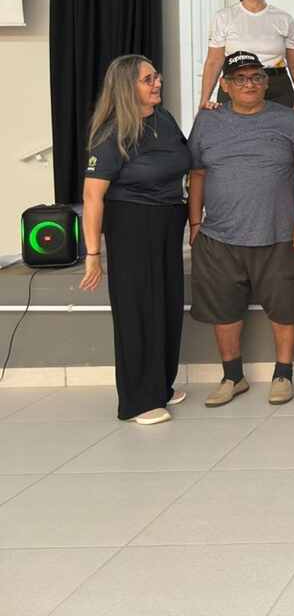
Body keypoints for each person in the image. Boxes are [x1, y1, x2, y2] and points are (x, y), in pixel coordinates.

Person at [188, 52, 294, 407]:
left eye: (256, 77)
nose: (249, 84)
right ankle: (233, 377)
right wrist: (194, 222)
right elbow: (197, 173)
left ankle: (283, 374)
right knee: (224, 310)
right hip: (220, 236)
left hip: (280, 234)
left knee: (286, 307)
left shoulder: (290, 120)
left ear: (266, 82)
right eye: (240, 78)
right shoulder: (207, 121)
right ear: (225, 86)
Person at [80, 55, 192, 425]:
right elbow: (92, 196)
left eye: (156, 76)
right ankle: (138, 400)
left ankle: (159, 386)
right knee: (138, 310)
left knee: (166, 304)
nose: (157, 83)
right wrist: (93, 254)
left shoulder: (164, 119)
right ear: (128, 87)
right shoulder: (112, 133)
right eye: (148, 79)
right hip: (132, 224)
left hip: (167, 222)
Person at [199, 0, 294, 114]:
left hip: (276, 86)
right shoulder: (224, 17)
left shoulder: (284, 19)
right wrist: (204, 100)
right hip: (237, 85)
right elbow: (214, 61)